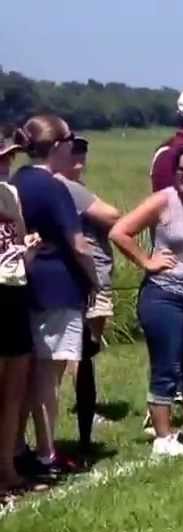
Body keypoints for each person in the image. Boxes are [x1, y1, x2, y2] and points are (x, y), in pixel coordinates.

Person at [109, 145, 183, 457]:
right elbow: (119, 232)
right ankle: (163, 438)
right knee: (167, 366)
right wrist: (146, 261)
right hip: (165, 295)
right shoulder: (163, 200)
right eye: (182, 170)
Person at [11, 115, 97, 478]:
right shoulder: (54, 187)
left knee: (26, 375)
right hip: (59, 287)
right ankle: (47, 453)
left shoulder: (18, 181)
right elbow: (79, 244)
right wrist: (95, 280)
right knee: (49, 377)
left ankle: (17, 446)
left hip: (25, 284)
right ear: (58, 146)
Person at [57, 136, 121, 453]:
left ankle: (86, 404)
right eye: (74, 151)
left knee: (90, 343)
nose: (80, 157)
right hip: (87, 277)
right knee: (81, 346)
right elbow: (112, 215)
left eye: (83, 151)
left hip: (97, 272)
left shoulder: (77, 188)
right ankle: (84, 408)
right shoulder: (68, 188)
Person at [0, 132, 38, 491]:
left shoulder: (11, 193)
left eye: (9, 158)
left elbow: (19, 246)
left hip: (14, 289)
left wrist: (29, 248)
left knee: (15, 384)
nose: (5, 165)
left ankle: (6, 466)